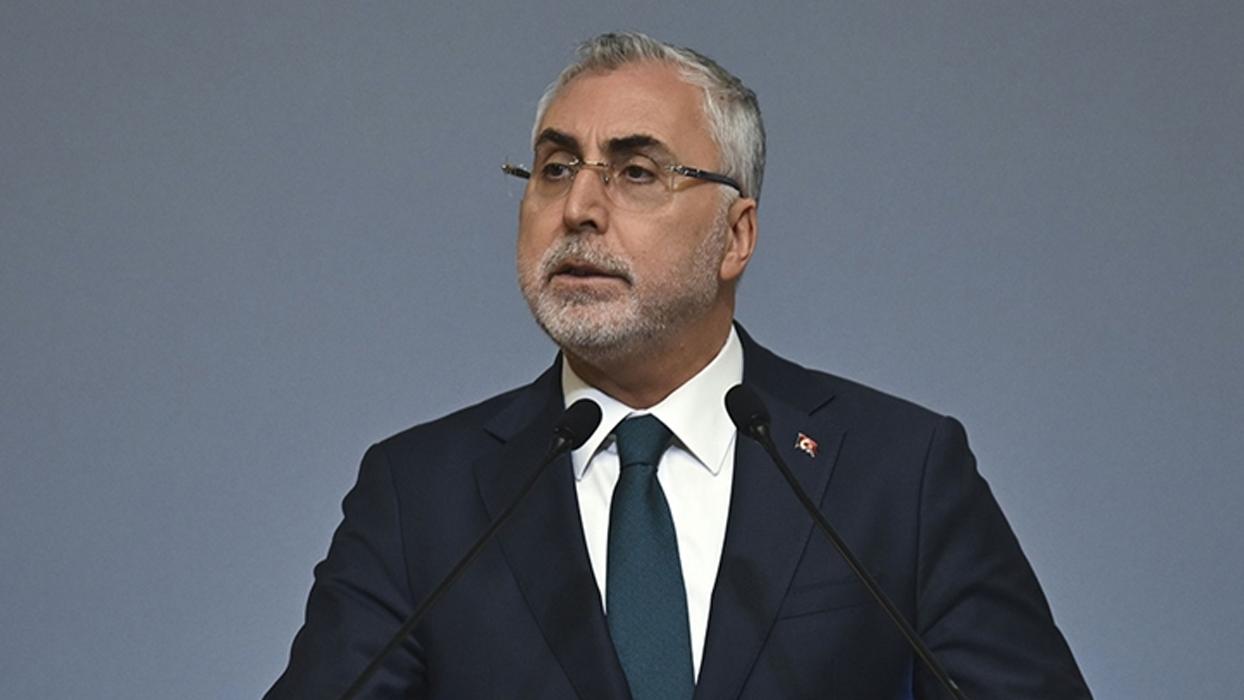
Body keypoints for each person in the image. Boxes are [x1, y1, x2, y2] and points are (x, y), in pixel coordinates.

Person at [268, 32, 1091, 699]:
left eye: (636, 172)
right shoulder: (420, 495)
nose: (579, 208)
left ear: (735, 236)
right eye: (555, 169)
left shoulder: (897, 474)